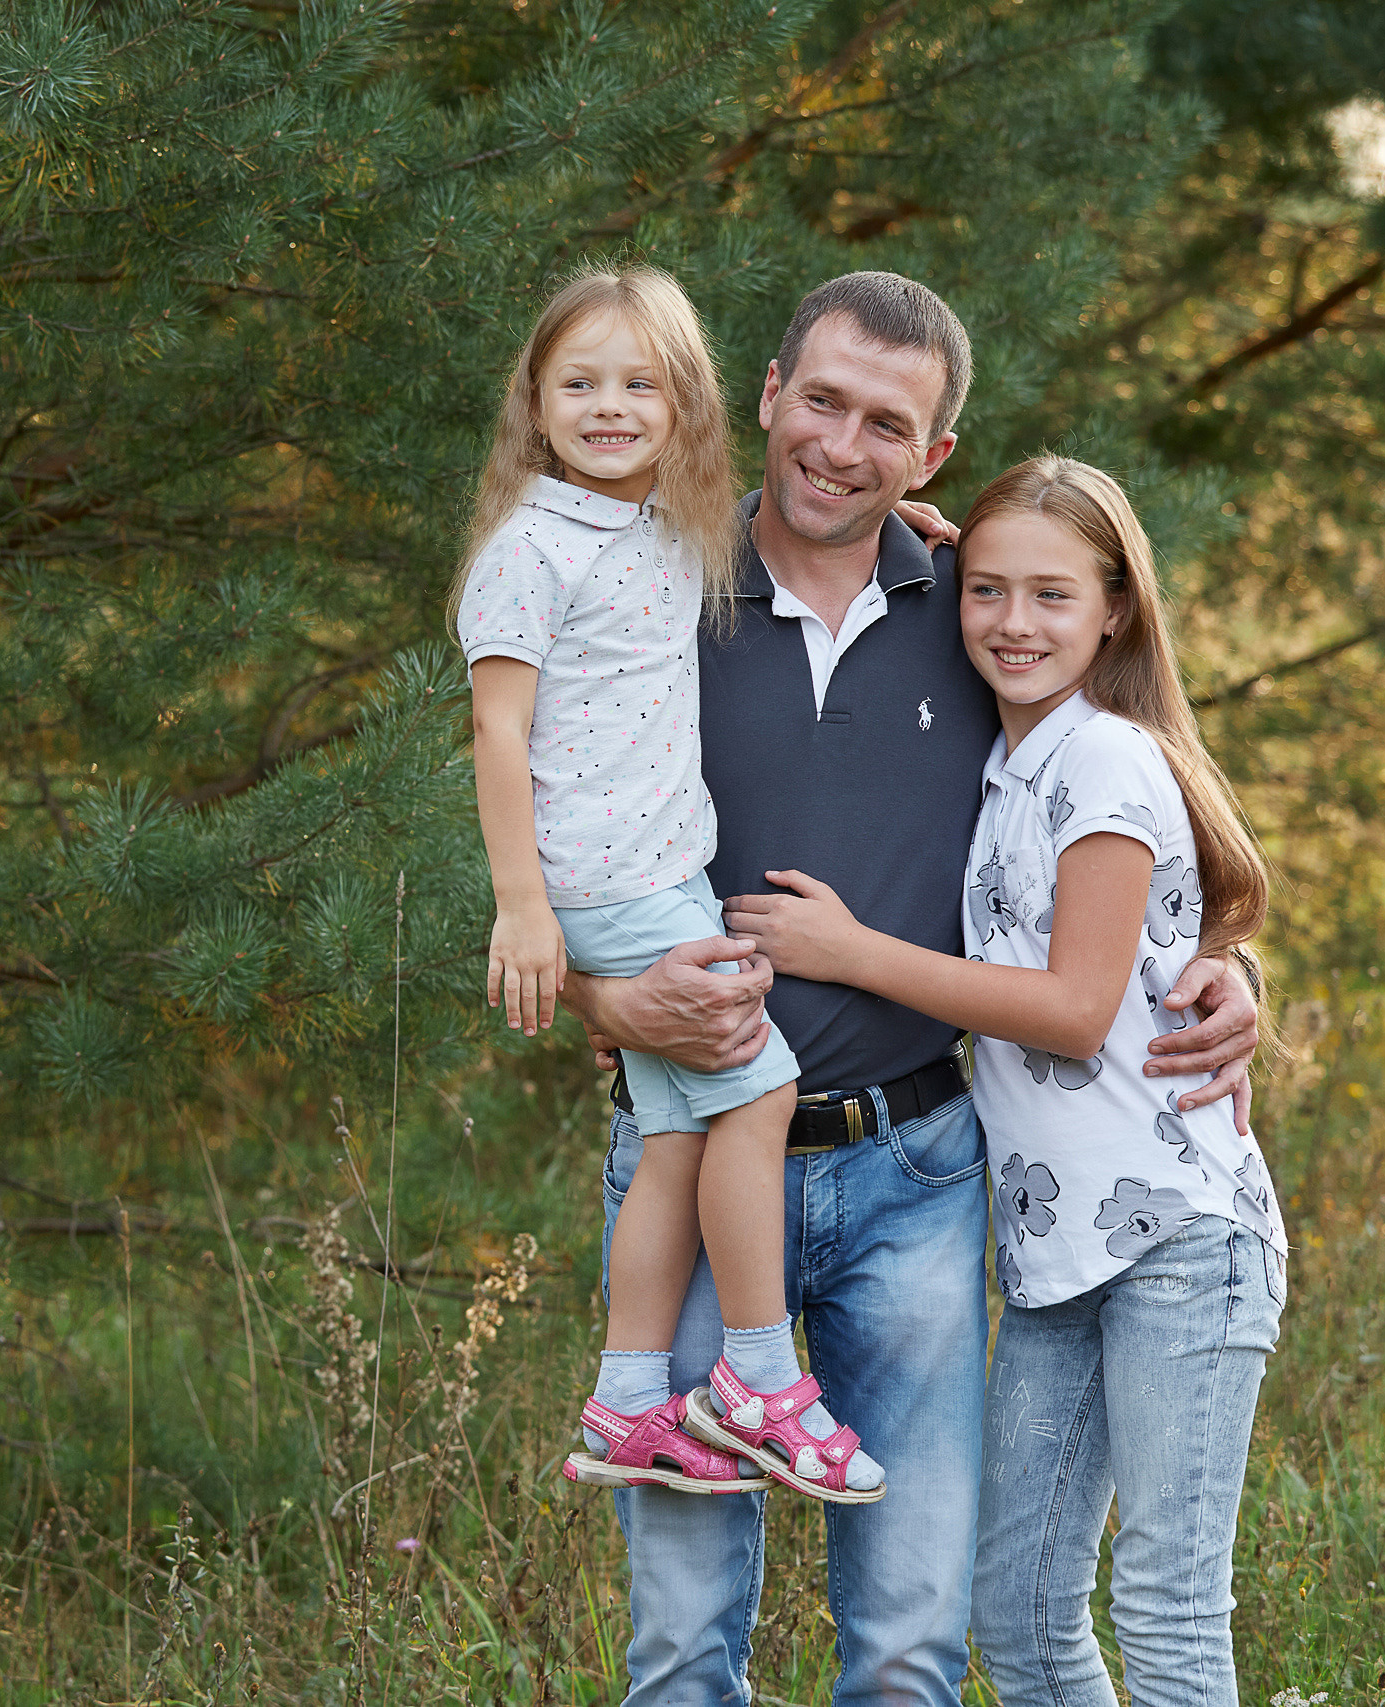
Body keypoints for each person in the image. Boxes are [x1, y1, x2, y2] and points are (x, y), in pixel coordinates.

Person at [559, 272, 1261, 1706]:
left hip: (922, 1172)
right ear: (766, 395)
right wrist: (609, 1003)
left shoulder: (976, 604)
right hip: (691, 1157)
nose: (843, 444)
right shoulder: (637, 600)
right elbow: (540, 884)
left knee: (910, 1645)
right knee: (683, 1641)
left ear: (930, 455)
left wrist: (1224, 961)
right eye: (822, 400)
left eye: (890, 423)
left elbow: (1113, 806)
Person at [727, 456, 1286, 1706]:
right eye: (985, 592)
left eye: (1050, 596)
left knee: (1164, 1610)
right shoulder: (1007, 755)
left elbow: (1081, 1013)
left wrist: (852, 954)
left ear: (1114, 612)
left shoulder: (1106, 763)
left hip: (1177, 1244)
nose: (1013, 624)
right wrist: (912, 528)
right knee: (1021, 1620)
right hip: (1052, 1256)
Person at [454, 267, 882, 1504]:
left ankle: (630, 1399)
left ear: (687, 405)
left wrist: (923, 526)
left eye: (640, 383)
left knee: (679, 1136)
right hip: (612, 878)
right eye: (578, 382)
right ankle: (756, 1374)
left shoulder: (656, 526)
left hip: (654, 870)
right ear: (534, 403)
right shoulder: (530, 547)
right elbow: (495, 733)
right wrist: (524, 907)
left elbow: (802, 522)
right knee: (764, 1089)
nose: (608, 405)